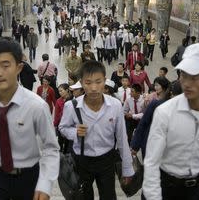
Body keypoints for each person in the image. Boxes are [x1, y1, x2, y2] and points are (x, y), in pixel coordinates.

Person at [0, 38, 60, 199]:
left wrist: (45, 183)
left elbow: (51, 148)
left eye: (5, 65)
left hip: (27, 176)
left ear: (19, 67)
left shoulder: (36, 106)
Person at [143, 43, 199, 200]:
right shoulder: (165, 112)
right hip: (166, 186)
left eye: (195, 77)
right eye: (183, 75)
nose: (187, 83)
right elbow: (151, 162)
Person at [59, 60, 135, 199]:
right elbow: (62, 127)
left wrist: (127, 168)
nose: (94, 88)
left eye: (98, 82)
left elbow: (122, 138)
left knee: (108, 196)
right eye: (88, 83)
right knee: (83, 196)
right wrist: (74, 132)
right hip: (81, 161)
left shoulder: (115, 105)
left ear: (105, 81)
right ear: (81, 83)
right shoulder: (71, 106)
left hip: (106, 161)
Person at [131, 77, 172, 159]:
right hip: (150, 142)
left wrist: (135, 146)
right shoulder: (154, 102)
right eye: (155, 85)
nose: (155, 87)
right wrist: (135, 145)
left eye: (157, 85)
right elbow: (143, 123)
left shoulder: (168, 104)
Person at [53, 83, 73, 153]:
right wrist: (55, 125)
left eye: (61, 91)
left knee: (68, 142)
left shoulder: (72, 99)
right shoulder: (58, 101)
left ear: (67, 90)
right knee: (60, 142)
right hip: (61, 125)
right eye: (59, 91)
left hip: (71, 125)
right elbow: (57, 115)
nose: (60, 93)